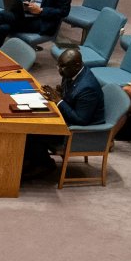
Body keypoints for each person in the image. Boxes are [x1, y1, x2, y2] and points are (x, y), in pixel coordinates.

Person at [23, 45, 104, 174]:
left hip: (77, 132)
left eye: (63, 67)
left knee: (32, 130)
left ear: (77, 65)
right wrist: (60, 94)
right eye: (58, 65)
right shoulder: (71, 72)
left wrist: (59, 100)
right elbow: (70, 97)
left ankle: (44, 164)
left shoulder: (87, 88)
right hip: (65, 118)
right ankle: (30, 160)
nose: (59, 70)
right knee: (28, 117)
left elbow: (81, 119)